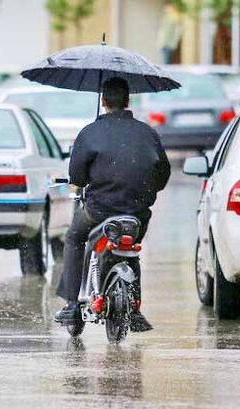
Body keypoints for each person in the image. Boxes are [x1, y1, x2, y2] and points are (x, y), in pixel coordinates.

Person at [54, 77, 171, 331]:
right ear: (128, 101)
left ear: (103, 101)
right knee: (132, 250)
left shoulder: (90, 132)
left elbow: (77, 177)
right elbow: (163, 174)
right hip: (138, 214)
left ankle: (72, 305)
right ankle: (136, 309)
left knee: (74, 237)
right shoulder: (149, 132)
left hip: (99, 211)